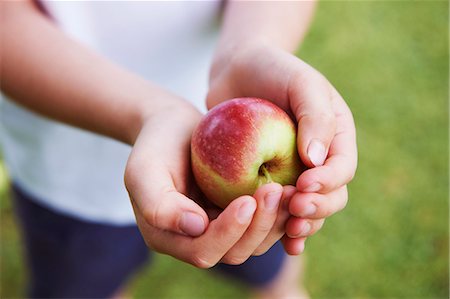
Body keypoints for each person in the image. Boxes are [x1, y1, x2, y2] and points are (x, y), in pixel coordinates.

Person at [1, 1, 357, 298]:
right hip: (69, 176)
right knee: (85, 283)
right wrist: (150, 111)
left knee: (267, 257)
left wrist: (249, 49)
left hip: (228, 160)